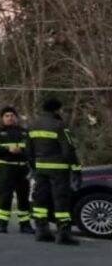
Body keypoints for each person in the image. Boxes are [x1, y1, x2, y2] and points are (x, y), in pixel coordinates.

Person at [25, 97, 82, 245]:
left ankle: (41, 231)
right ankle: (63, 234)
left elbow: (29, 151)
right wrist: (75, 169)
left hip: (40, 168)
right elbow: (68, 150)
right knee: (61, 201)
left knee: (40, 200)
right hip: (59, 169)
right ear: (57, 109)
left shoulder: (32, 126)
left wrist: (34, 168)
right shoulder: (59, 125)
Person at [0, 106, 34, 234]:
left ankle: (25, 224)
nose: (10, 118)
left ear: (16, 117)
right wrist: (7, 150)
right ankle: (2, 223)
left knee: (23, 197)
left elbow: (32, 149)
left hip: (22, 168)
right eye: (6, 116)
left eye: (12, 115)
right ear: (2, 118)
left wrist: (22, 151)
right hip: (7, 168)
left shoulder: (24, 132)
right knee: (5, 196)